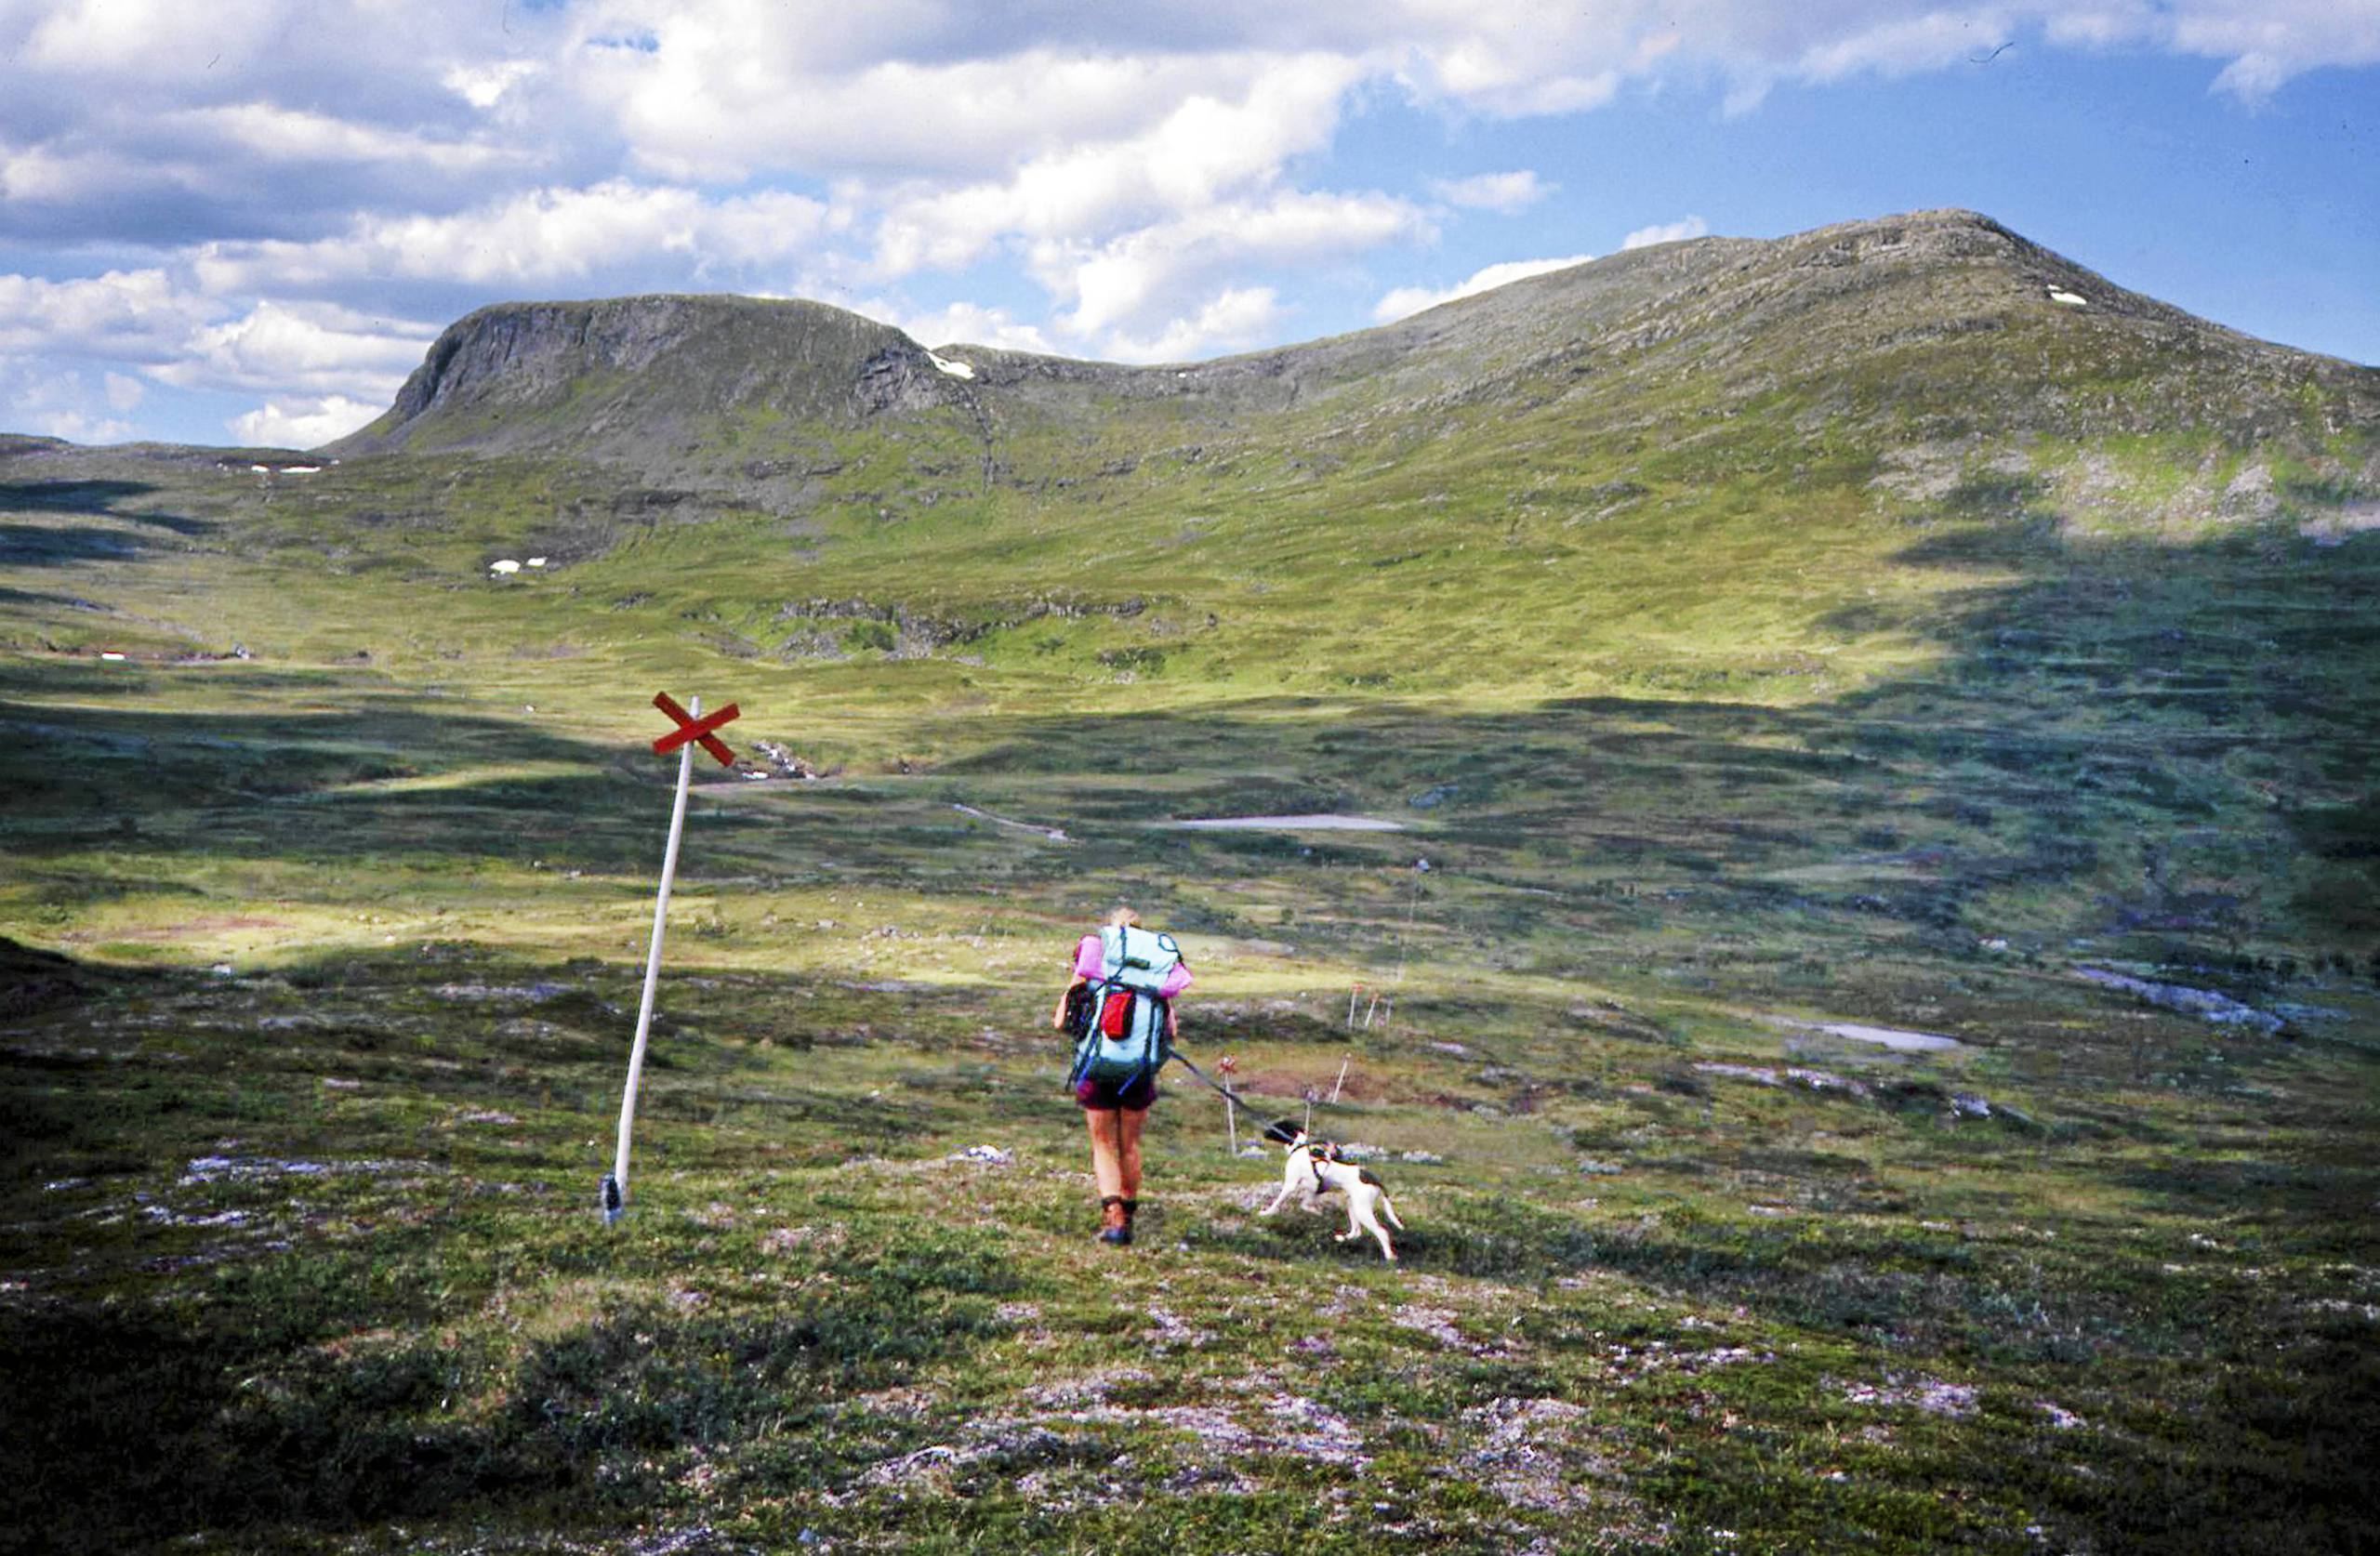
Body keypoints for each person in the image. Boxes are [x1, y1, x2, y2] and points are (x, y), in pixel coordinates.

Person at [1052, 906, 1191, 1245]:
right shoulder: (1153, 978)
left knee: (1103, 1143)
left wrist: (1076, 982)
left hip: (1097, 1069)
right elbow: (1170, 1031)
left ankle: (1113, 1220)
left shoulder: (1094, 967)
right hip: (1138, 1073)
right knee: (1129, 1144)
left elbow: (1060, 1022)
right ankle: (1127, 1216)